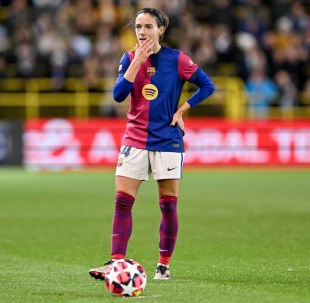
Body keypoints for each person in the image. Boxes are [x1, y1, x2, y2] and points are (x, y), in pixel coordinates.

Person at [89, 7, 215, 281]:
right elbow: (119, 95)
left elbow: (207, 86)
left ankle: (163, 265)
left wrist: (182, 109)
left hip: (167, 141)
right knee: (122, 203)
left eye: (148, 26)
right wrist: (136, 63)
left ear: (161, 29)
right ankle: (116, 263)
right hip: (134, 139)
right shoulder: (129, 58)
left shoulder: (177, 59)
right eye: (138, 27)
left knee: (168, 205)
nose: (142, 32)